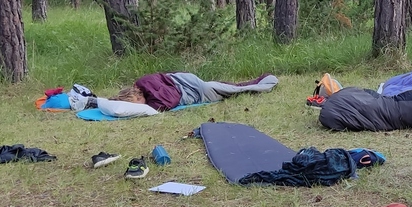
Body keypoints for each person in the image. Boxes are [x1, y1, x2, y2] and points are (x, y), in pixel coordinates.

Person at [98, 72, 278, 116]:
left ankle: (268, 81)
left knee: (237, 90)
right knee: (226, 86)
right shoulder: (142, 82)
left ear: (136, 96)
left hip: (197, 90)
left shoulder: (151, 96)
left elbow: (171, 98)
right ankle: (263, 79)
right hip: (189, 80)